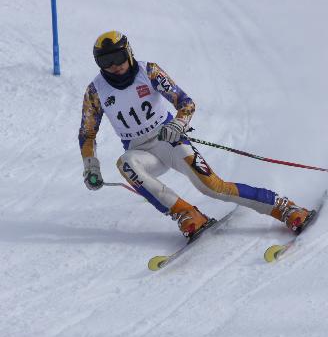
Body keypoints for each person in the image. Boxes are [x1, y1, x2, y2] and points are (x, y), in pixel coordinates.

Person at [78, 30, 313, 240]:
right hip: (140, 152)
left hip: (169, 140)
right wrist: (91, 166)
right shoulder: (96, 92)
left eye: (118, 57)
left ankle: (284, 207)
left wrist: (178, 124)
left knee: (213, 187)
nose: (114, 66)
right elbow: (87, 133)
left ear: (129, 53)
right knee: (125, 164)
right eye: (106, 61)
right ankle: (187, 214)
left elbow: (185, 102)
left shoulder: (148, 72)